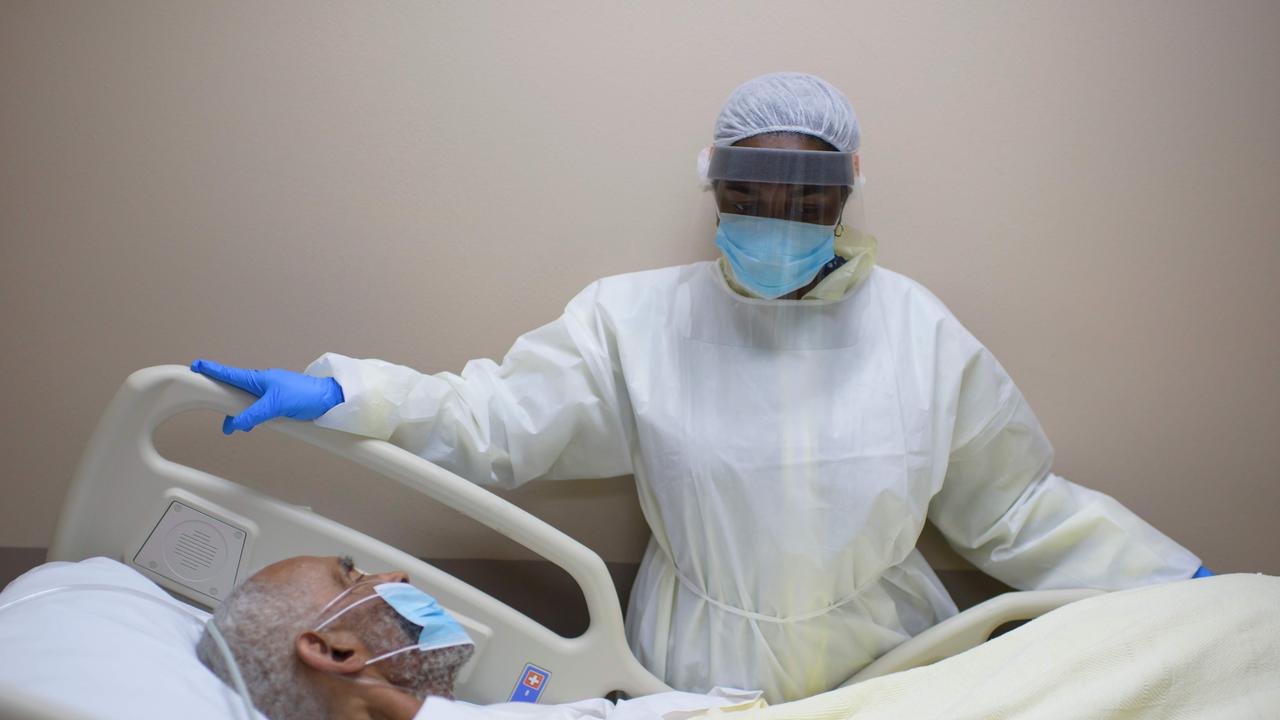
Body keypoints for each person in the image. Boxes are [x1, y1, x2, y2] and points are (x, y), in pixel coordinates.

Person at [193, 72, 1211, 702]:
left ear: (844, 194)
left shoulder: (917, 332)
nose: (771, 216)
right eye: (744, 194)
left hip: (889, 670)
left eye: (801, 198)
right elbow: (495, 419)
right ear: (710, 189)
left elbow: (1017, 505)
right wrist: (347, 395)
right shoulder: (632, 321)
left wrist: (1173, 587)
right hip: (686, 672)